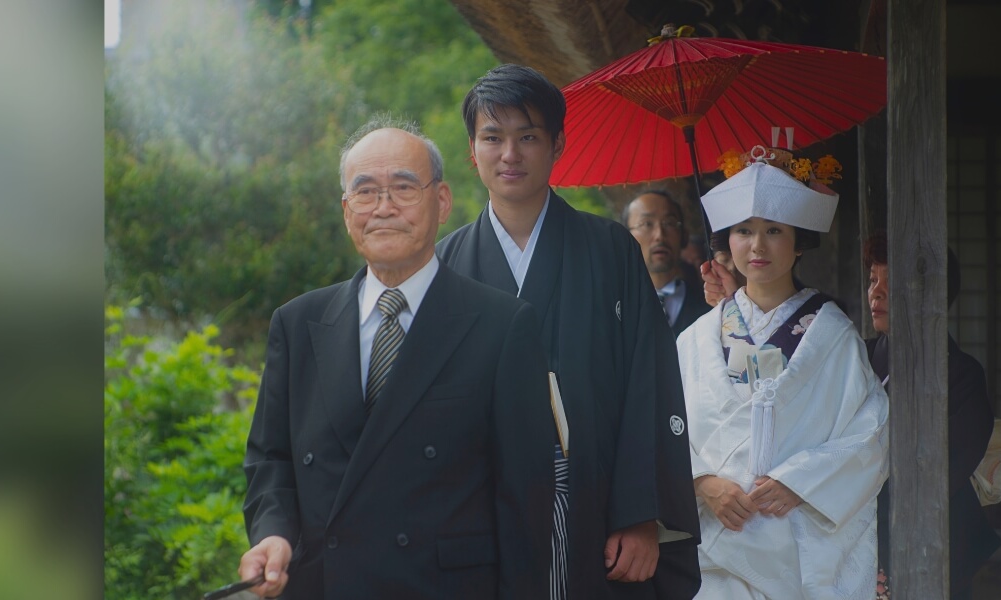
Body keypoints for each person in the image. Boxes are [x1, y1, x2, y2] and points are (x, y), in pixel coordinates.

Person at [238, 118, 556, 599]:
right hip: (322, 586)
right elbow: (271, 459)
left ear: (442, 201)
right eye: (365, 192)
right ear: (347, 212)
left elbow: (525, 502)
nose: (384, 208)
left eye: (404, 188)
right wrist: (273, 534)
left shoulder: (502, 325)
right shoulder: (298, 323)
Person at [435, 64, 702, 600]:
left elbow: (646, 383)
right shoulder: (446, 265)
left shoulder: (609, 250)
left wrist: (639, 512)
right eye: (493, 137)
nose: (510, 155)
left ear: (557, 144)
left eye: (528, 137)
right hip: (480, 510)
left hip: (595, 501)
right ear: (472, 150)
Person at [676, 157, 889, 599]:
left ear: (798, 243)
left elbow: (872, 432)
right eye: (743, 231)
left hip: (799, 536)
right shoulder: (697, 337)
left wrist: (802, 482)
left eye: (774, 230)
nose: (757, 245)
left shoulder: (833, 335)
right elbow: (665, 427)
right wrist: (703, 483)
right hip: (719, 536)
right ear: (726, 242)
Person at [863, 231, 1001, 600]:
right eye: (873, 279)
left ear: (930, 290)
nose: (876, 292)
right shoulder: (857, 359)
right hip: (857, 541)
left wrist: (882, 559)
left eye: (891, 282)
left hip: (933, 541)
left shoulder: (961, 375)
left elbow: (938, 475)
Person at [622, 189, 711, 335]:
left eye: (669, 223)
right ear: (625, 238)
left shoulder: (709, 307)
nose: (660, 235)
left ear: (684, 236)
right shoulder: (615, 307)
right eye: (646, 224)